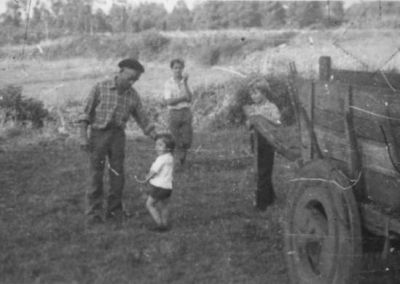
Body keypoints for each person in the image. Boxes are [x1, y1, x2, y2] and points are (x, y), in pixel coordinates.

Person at [78, 58, 157, 226]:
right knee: (95, 174)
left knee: (117, 175)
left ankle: (114, 212)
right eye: (130, 77)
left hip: (118, 137)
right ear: (120, 71)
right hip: (98, 135)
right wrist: (83, 136)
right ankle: (93, 214)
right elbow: (85, 114)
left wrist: (156, 136)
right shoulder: (100, 87)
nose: (132, 82)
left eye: (136, 79)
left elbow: (143, 119)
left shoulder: (133, 95)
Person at [135, 133, 175, 232]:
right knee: (164, 205)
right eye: (156, 144)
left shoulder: (161, 159)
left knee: (150, 204)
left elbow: (153, 172)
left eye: (160, 145)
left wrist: (145, 179)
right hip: (168, 187)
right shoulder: (170, 157)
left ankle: (159, 224)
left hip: (159, 187)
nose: (156, 147)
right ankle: (165, 224)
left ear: (168, 148)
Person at [163, 58, 193, 167]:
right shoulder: (168, 83)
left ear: (183, 69)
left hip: (186, 112)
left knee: (187, 139)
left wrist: (185, 83)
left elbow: (189, 98)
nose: (178, 70)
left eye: (180, 68)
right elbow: (169, 102)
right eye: (175, 68)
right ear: (172, 69)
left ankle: (181, 158)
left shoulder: (186, 82)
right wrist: (182, 98)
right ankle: (176, 161)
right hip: (173, 113)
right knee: (175, 138)